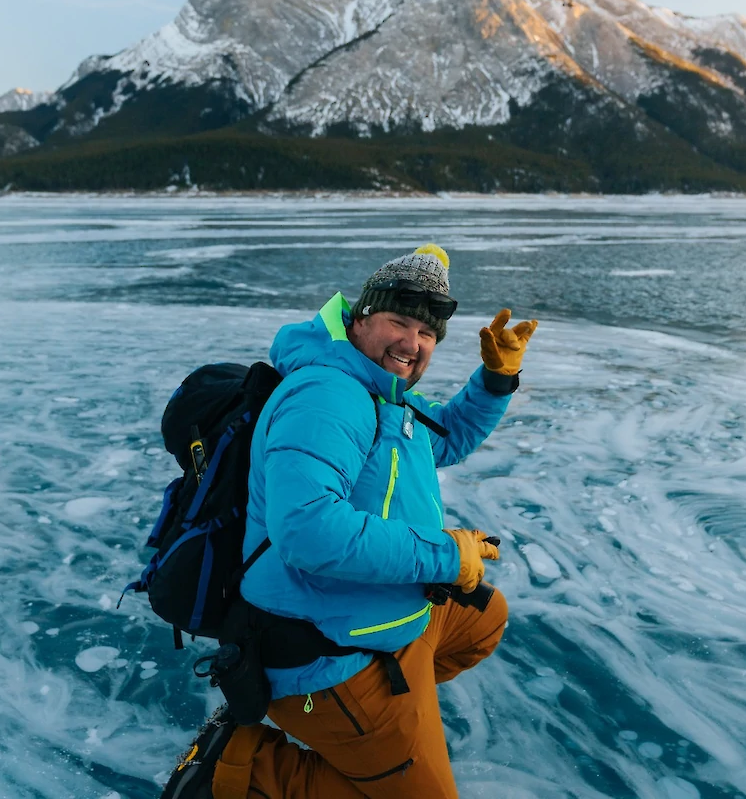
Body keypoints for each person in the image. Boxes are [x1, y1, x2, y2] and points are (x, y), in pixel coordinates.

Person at [174, 243, 536, 799]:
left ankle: (380, 730)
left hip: (380, 611)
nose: (412, 344)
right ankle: (242, 768)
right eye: (400, 321)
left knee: (483, 616)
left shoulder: (383, 394)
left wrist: (495, 380)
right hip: (326, 644)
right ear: (362, 316)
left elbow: (446, 438)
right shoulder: (328, 394)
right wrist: (445, 554)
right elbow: (309, 530)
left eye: (428, 333)